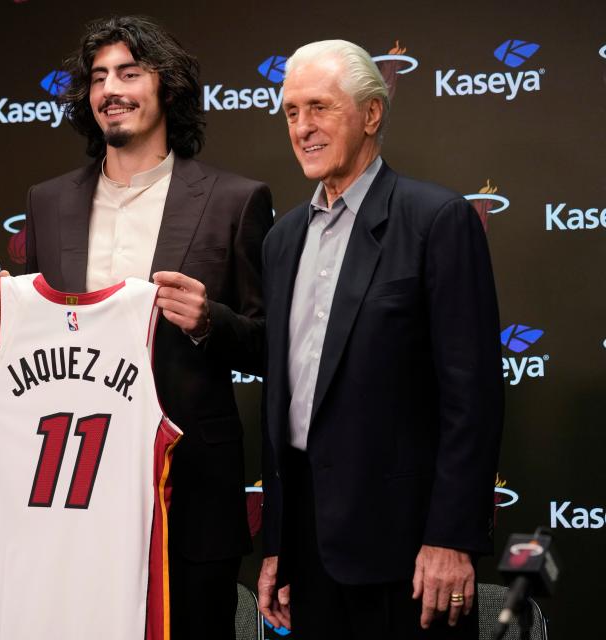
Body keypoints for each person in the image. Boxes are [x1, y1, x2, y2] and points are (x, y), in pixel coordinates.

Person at [0, 15, 273, 639]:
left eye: (130, 73)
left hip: (189, 490)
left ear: (168, 88)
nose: (112, 88)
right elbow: (54, 342)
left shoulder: (234, 200)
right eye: (99, 76)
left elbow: (274, 346)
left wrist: (209, 322)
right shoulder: (48, 202)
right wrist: (9, 326)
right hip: (74, 493)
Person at [257, 40, 503, 639]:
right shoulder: (282, 238)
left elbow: (472, 398)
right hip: (310, 553)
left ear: (371, 114)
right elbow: (283, 399)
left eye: (319, 107)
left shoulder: (437, 219)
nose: (303, 127)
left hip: (409, 555)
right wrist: (277, 547)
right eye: (291, 111)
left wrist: (449, 538)